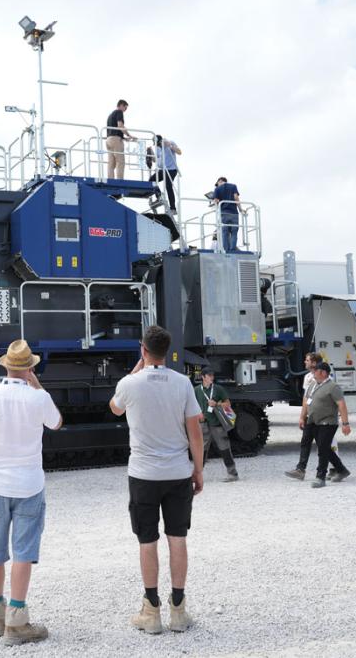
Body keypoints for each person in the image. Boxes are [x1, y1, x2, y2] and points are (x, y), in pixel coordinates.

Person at [0, 340, 62, 646]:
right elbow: (57, 423)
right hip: (29, 485)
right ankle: (16, 621)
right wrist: (37, 385)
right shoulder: (39, 398)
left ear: (5, 365)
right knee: (23, 551)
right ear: (30, 368)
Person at [109, 325, 204, 634]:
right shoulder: (183, 384)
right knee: (178, 538)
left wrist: (138, 367)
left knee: (147, 540)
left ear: (143, 349)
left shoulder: (129, 384)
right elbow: (195, 432)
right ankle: (179, 610)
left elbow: (114, 408)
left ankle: (151, 612)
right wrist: (198, 470)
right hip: (177, 473)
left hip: (143, 474)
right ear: (168, 349)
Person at [300, 362, 351, 488]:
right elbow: (306, 402)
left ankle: (320, 477)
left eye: (315, 371)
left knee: (322, 449)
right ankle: (342, 470)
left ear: (323, 372)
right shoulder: (312, 384)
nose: (313, 373)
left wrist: (345, 423)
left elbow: (342, 405)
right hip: (312, 421)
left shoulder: (333, 387)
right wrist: (302, 417)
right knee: (320, 446)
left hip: (327, 422)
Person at [286, 352, 326, 480]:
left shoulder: (324, 376)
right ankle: (300, 469)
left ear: (314, 363)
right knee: (305, 442)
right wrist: (302, 416)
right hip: (311, 416)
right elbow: (305, 398)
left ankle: (335, 468)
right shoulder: (308, 377)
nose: (305, 362)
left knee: (325, 444)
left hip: (323, 416)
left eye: (307, 360)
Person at [194, 368, 238, 482]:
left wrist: (217, 404)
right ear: (203, 377)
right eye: (209, 375)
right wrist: (198, 414)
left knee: (224, 448)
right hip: (203, 424)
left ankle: (233, 474)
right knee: (201, 450)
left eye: (212, 375)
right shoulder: (197, 390)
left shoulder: (218, 389)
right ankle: (197, 475)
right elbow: (192, 405)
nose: (212, 377)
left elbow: (228, 404)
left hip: (217, 423)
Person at [147, 135, 182, 212]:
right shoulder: (157, 148)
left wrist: (170, 145)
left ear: (161, 141)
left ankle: (173, 208)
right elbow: (156, 160)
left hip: (172, 169)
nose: (158, 146)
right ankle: (159, 195)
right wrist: (150, 152)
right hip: (163, 170)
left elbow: (179, 152)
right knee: (151, 180)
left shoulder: (170, 142)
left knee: (168, 185)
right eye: (156, 145)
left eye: (158, 144)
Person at [105, 99, 136, 180]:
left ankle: (110, 180)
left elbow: (114, 129)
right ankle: (120, 181)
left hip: (109, 140)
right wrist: (129, 135)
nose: (125, 110)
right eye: (125, 108)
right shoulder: (119, 112)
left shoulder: (110, 115)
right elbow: (120, 125)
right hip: (115, 140)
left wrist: (124, 137)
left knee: (111, 163)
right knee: (120, 161)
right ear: (121, 105)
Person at [212, 177, 244, 252]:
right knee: (234, 232)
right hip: (234, 213)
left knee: (225, 232)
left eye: (217, 184)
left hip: (224, 213)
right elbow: (236, 197)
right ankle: (232, 249)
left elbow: (216, 201)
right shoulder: (233, 186)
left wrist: (216, 205)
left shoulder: (217, 189)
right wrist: (240, 209)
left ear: (220, 181)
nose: (217, 185)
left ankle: (226, 250)